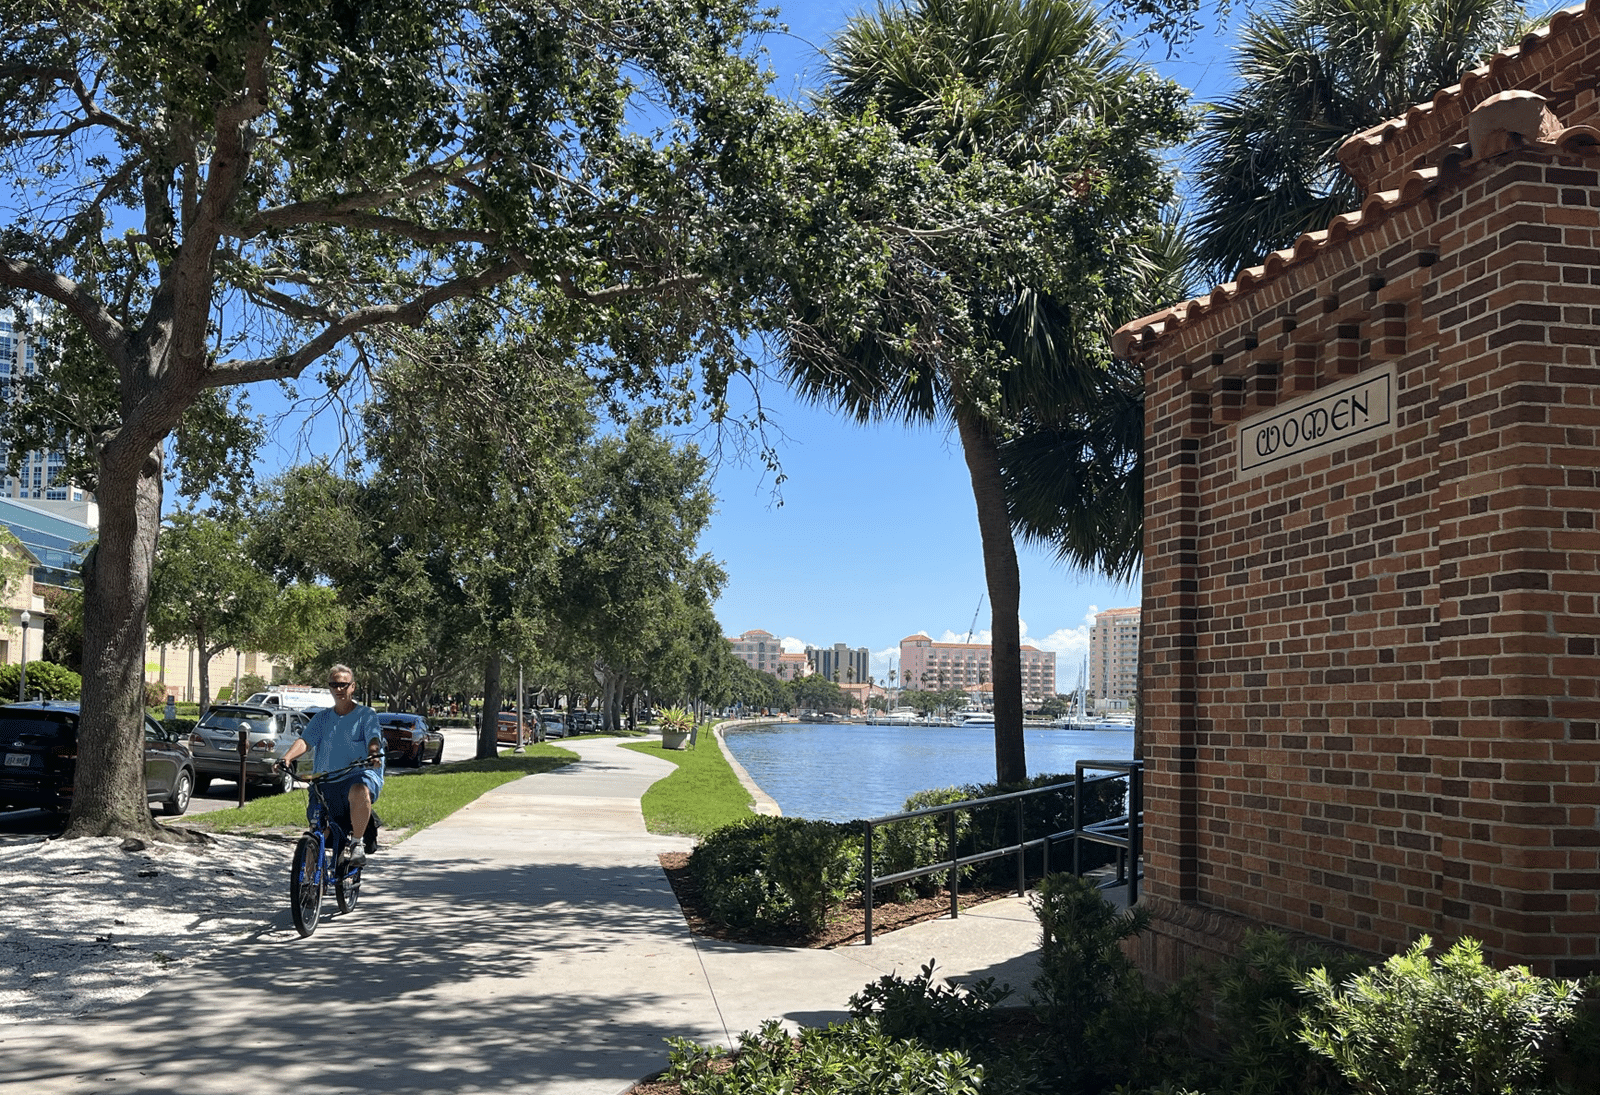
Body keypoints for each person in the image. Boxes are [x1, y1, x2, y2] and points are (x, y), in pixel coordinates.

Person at [278, 665, 384, 865]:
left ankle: (357, 844)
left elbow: (373, 738)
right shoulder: (322, 718)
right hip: (325, 780)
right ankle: (308, 885)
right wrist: (287, 757)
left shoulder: (365, 715)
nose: (339, 689)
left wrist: (373, 754)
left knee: (359, 790)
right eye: (334, 685)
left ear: (352, 687)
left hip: (357, 775)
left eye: (343, 685)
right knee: (316, 834)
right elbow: (305, 741)